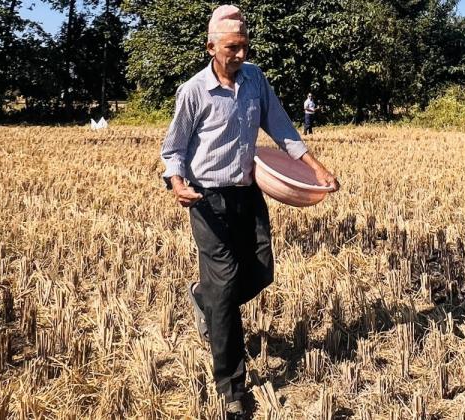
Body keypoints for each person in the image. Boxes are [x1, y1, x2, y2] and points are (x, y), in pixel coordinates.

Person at [158, 5, 339, 418]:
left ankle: (205, 300)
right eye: (231, 48)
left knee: (260, 271)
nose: (239, 55)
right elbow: (173, 149)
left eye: (244, 47)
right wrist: (177, 184)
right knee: (224, 286)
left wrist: (318, 168)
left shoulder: (255, 79)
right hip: (206, 198)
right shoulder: (193, 91)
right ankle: (232, 387)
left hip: (247, 191)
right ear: (211, 47)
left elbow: (281, 127)